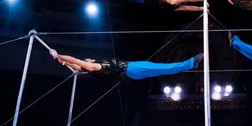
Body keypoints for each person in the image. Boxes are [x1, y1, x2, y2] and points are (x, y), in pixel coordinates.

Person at [49, 49, 204, 80]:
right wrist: (58, 55)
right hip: (131, 69)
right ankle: (190, 63)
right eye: (86, 59)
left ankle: (189, 64)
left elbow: (74, 63)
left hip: (132, 69)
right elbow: (76, 61)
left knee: (161, 69)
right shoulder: (93, 67)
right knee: (161, 68)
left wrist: (60, 60)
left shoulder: (89, 67)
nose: (88, 58)